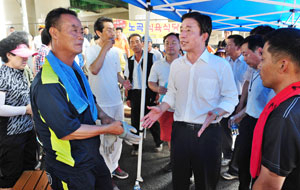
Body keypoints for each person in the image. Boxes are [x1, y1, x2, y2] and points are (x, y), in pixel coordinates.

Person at [30, 8, 126, 190]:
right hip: (69, 167)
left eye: (81, 31)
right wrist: (107, 128)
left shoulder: (73, 69)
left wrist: (104, 115)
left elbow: (89, 100)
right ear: (54, 33)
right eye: (73, 30)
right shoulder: (48, 83)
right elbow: (67, 131)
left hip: (90, 157)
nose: (81, 36)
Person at [142, 12, 238, 190]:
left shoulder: (220, 65)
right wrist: (161, 107)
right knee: (179, 182)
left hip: (208, 132)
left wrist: (218, 111)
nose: (182, 35)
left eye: (188, 30)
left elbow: (231, 97)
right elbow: (171, 93)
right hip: (180, 132)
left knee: (206, 184)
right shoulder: (177, 65)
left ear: (204, 35)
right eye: (181, 30)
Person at [86, 16, 132, 187]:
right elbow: (94, 70)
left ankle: (114, 165)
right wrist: (104, 49)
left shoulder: (116, 51)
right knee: (103, 140)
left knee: (118, 135)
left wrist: (124, 82)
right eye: (109, 30)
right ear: (98, 33)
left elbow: (117, 73)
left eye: (114, 29)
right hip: (100, 104)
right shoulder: (91, 50)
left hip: (116, 101)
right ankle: (105, 172)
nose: (113, 32)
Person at [251, 28, 300, 190]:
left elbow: (269, 184)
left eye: (264, 59)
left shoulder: (285, 116)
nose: (259, 66)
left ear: (282, 65)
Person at [228, 35, 275, 190]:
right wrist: (239, 115)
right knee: (243, 159)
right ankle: (243, 185)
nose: (244, 58)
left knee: (257, 164)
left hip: (263, 125)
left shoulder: (270, 74)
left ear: (260, 51)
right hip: (249, 121)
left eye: (246, 54)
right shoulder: (253, 69)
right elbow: (252, 103)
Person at [0, 31, 38, 189]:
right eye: (21, 56)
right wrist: (25, 109)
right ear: (8, 55)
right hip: (11, 135)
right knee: (12, 174)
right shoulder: (2, 75)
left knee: (29, 171)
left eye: (26, 55)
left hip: (27, 131)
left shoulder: (22, 71)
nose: (26, 59)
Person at [125, 33, 163, 155]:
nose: (135, 44)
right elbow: (128, 79)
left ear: (142, 43)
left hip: (149, 92)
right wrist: (128, 96)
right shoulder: (130, 60)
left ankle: (159, 142)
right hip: (135, 93)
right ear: (129, 45)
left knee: (151, 119)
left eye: (137, 41)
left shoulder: (151, 57)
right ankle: (136, 146)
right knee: (135, 120)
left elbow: (158, 76)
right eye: (132, 42)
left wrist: (157, 92)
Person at [148, 32, 180, 172]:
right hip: (165, 107)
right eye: (167, 42)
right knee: (169, 137)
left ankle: (182, 163)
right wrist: (157, 88)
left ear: (180, 45)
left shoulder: (187, 63)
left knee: (183, 138)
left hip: (183, 108)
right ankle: (174, 161)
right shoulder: (157, 65)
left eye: (174, 42)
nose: (170, 46)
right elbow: (150, 82)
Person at [221, 34, 248, 179]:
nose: (226, 48)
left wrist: (241, 104)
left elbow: (246, 84)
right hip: (226, 99)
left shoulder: (246, 62)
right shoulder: (225, 62)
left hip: (240, 99)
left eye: (228, 45)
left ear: (238, 47)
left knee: (238, 128)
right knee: (224, 125)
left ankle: (235, 158)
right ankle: (228, 153)